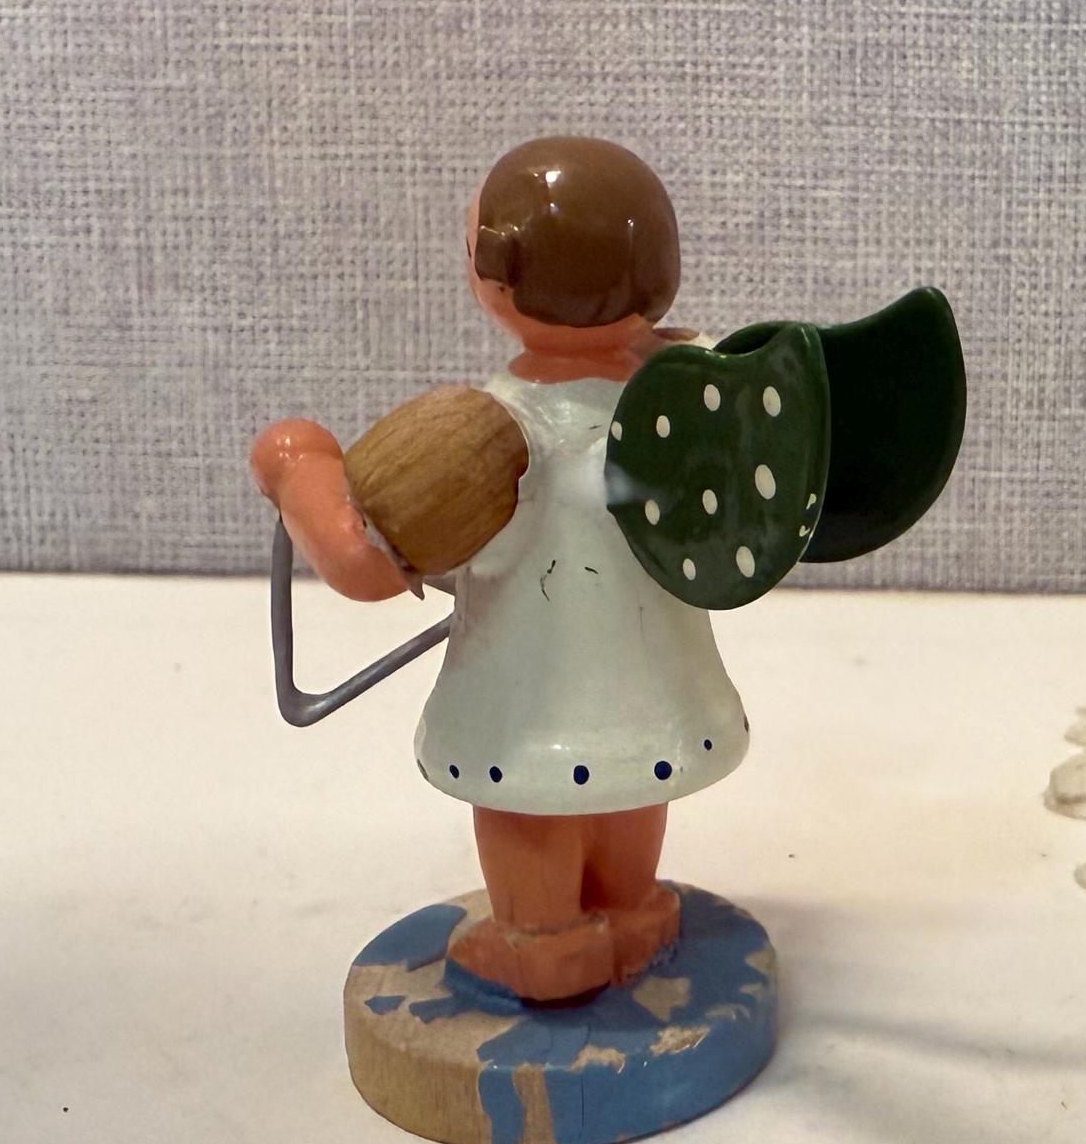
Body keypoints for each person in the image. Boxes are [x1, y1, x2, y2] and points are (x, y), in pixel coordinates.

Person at [253, 137, 749, 1003]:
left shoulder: (488, 435)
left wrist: (298, 466)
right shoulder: (695, 387)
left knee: (532, 803)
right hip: (659, 690)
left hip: (532, 704)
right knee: (629, 787)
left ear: (498, 273)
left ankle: (545, 941)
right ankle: (631, 911)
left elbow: (364, 564)